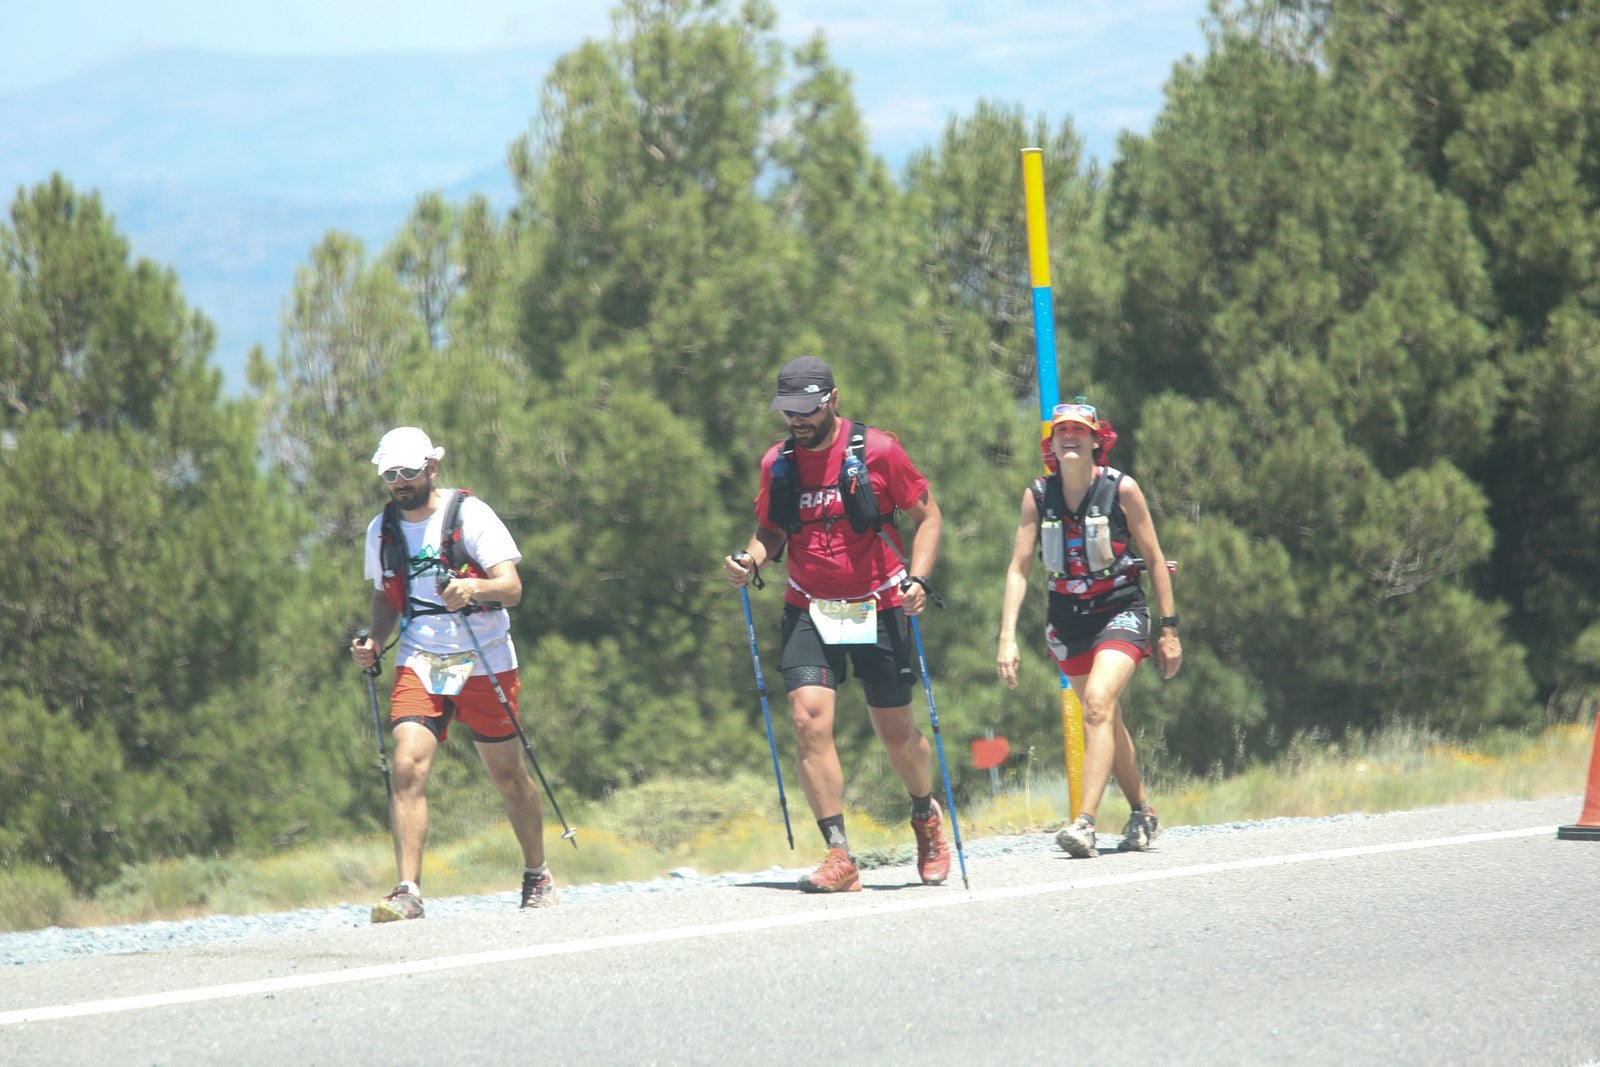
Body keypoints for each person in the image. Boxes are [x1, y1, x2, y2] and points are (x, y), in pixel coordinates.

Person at [724, 356, 951, 893]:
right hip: (809, 606)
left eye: (806, 410)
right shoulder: (777, 463)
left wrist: (919, 580)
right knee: (808, 721)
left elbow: (929, 518)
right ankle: (839, 854)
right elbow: (771, 530)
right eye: (788, 412)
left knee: (896, 734)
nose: (797, 421)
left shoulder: (880, 451)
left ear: (833, 400)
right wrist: (750, 560)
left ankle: (925, 814)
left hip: (880, 603)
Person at [349, 426, 556, 920]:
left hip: (484, 657)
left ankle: (537, 873)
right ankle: (408, 891)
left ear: (432, 467)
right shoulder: (381, 529)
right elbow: (384, 595)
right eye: (390, 474)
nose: (400, 482)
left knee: (508, 775)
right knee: (407, 764)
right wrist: (375, 640)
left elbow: (511, 588)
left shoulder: (470, 514)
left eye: (408, 471)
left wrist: (472, 589)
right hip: (421, 657)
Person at [995, 401, 1181, 857]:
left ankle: (1085, 822)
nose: (1070, 436)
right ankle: (1142, 812)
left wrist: (1169, 629)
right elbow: (1019, 569)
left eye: (1079, 430)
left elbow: (1155, 559)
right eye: (1062, 431)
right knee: (1105, 717)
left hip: (1120, 609)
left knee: (1096, 705)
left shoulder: (1122, 489)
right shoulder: (1038, 496)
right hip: (1067, 620)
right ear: (1052, 444)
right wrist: (1007, 637)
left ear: (1097, 439)